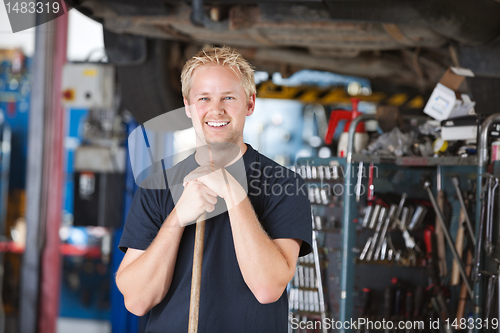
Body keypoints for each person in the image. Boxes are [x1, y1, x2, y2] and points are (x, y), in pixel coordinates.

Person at [116, 46, 312, 333]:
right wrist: (179, 216)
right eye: (204, 98)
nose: (216, 109)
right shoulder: (158, 185)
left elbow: (267, 288)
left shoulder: (284, 185)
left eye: (229, 97)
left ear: (250, 104)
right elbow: (137, 300)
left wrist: (233, 193)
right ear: (188, 106)